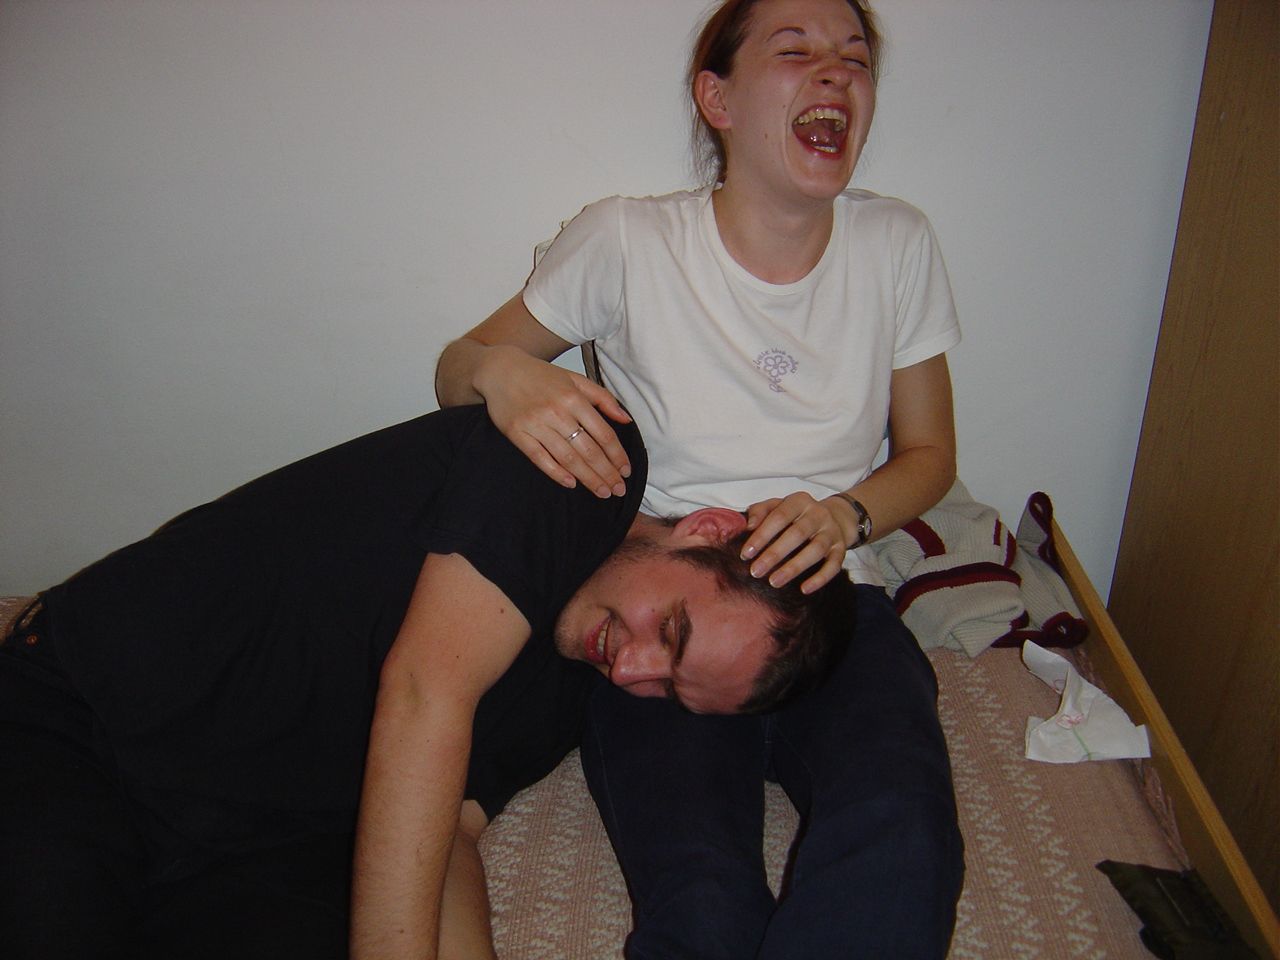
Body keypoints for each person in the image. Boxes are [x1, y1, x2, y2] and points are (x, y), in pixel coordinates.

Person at [434, 0, 965, 955]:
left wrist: (842, 516)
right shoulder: (627, 240)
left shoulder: (897, 243)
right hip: (670, 594)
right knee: (701, 889)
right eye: (796, 50)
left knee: (900, 828)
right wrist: (506, 375)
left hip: (830, 598)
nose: (836, 74)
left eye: (855, 59)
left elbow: (930, 456)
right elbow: (457, 368)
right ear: (717, 98)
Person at [0, 404, 853, 960]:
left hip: (260, 848)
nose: (631, 670)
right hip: (87, 722)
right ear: (706, 530)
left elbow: (450, 837)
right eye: (670, 631)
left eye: (669, 689)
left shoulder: (572, 690)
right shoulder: (581, 466)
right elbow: (423, 695)